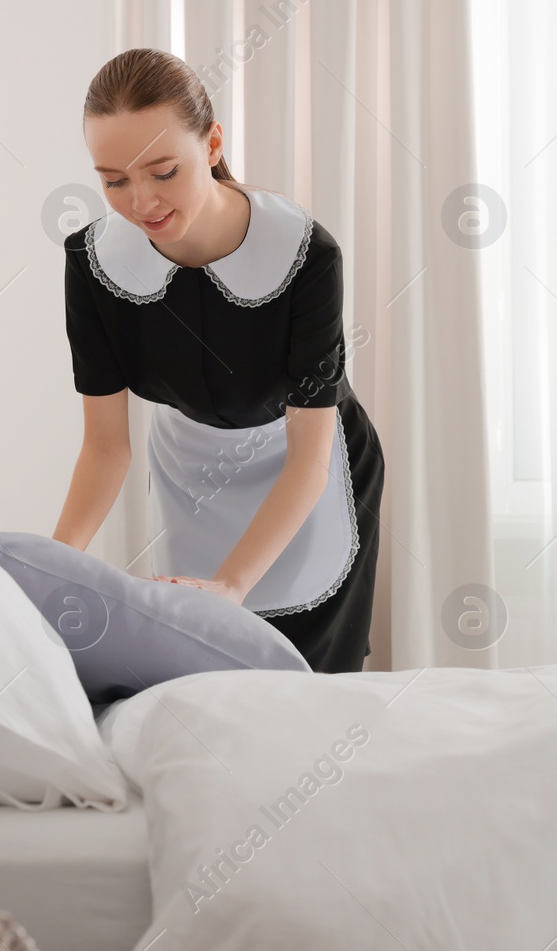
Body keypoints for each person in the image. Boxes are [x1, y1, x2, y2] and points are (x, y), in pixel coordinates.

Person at [51, 47, 384, 673]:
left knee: (308, 682)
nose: (142, 201)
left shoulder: (306, 257)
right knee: (211, 674)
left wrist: (233, 586)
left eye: (163, 171)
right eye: (114, 180)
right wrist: (49, 566)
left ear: (211, 145)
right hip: (194, 469)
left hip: (308, 472)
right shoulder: (93, 266)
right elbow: (104, 447)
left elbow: (310, 455)